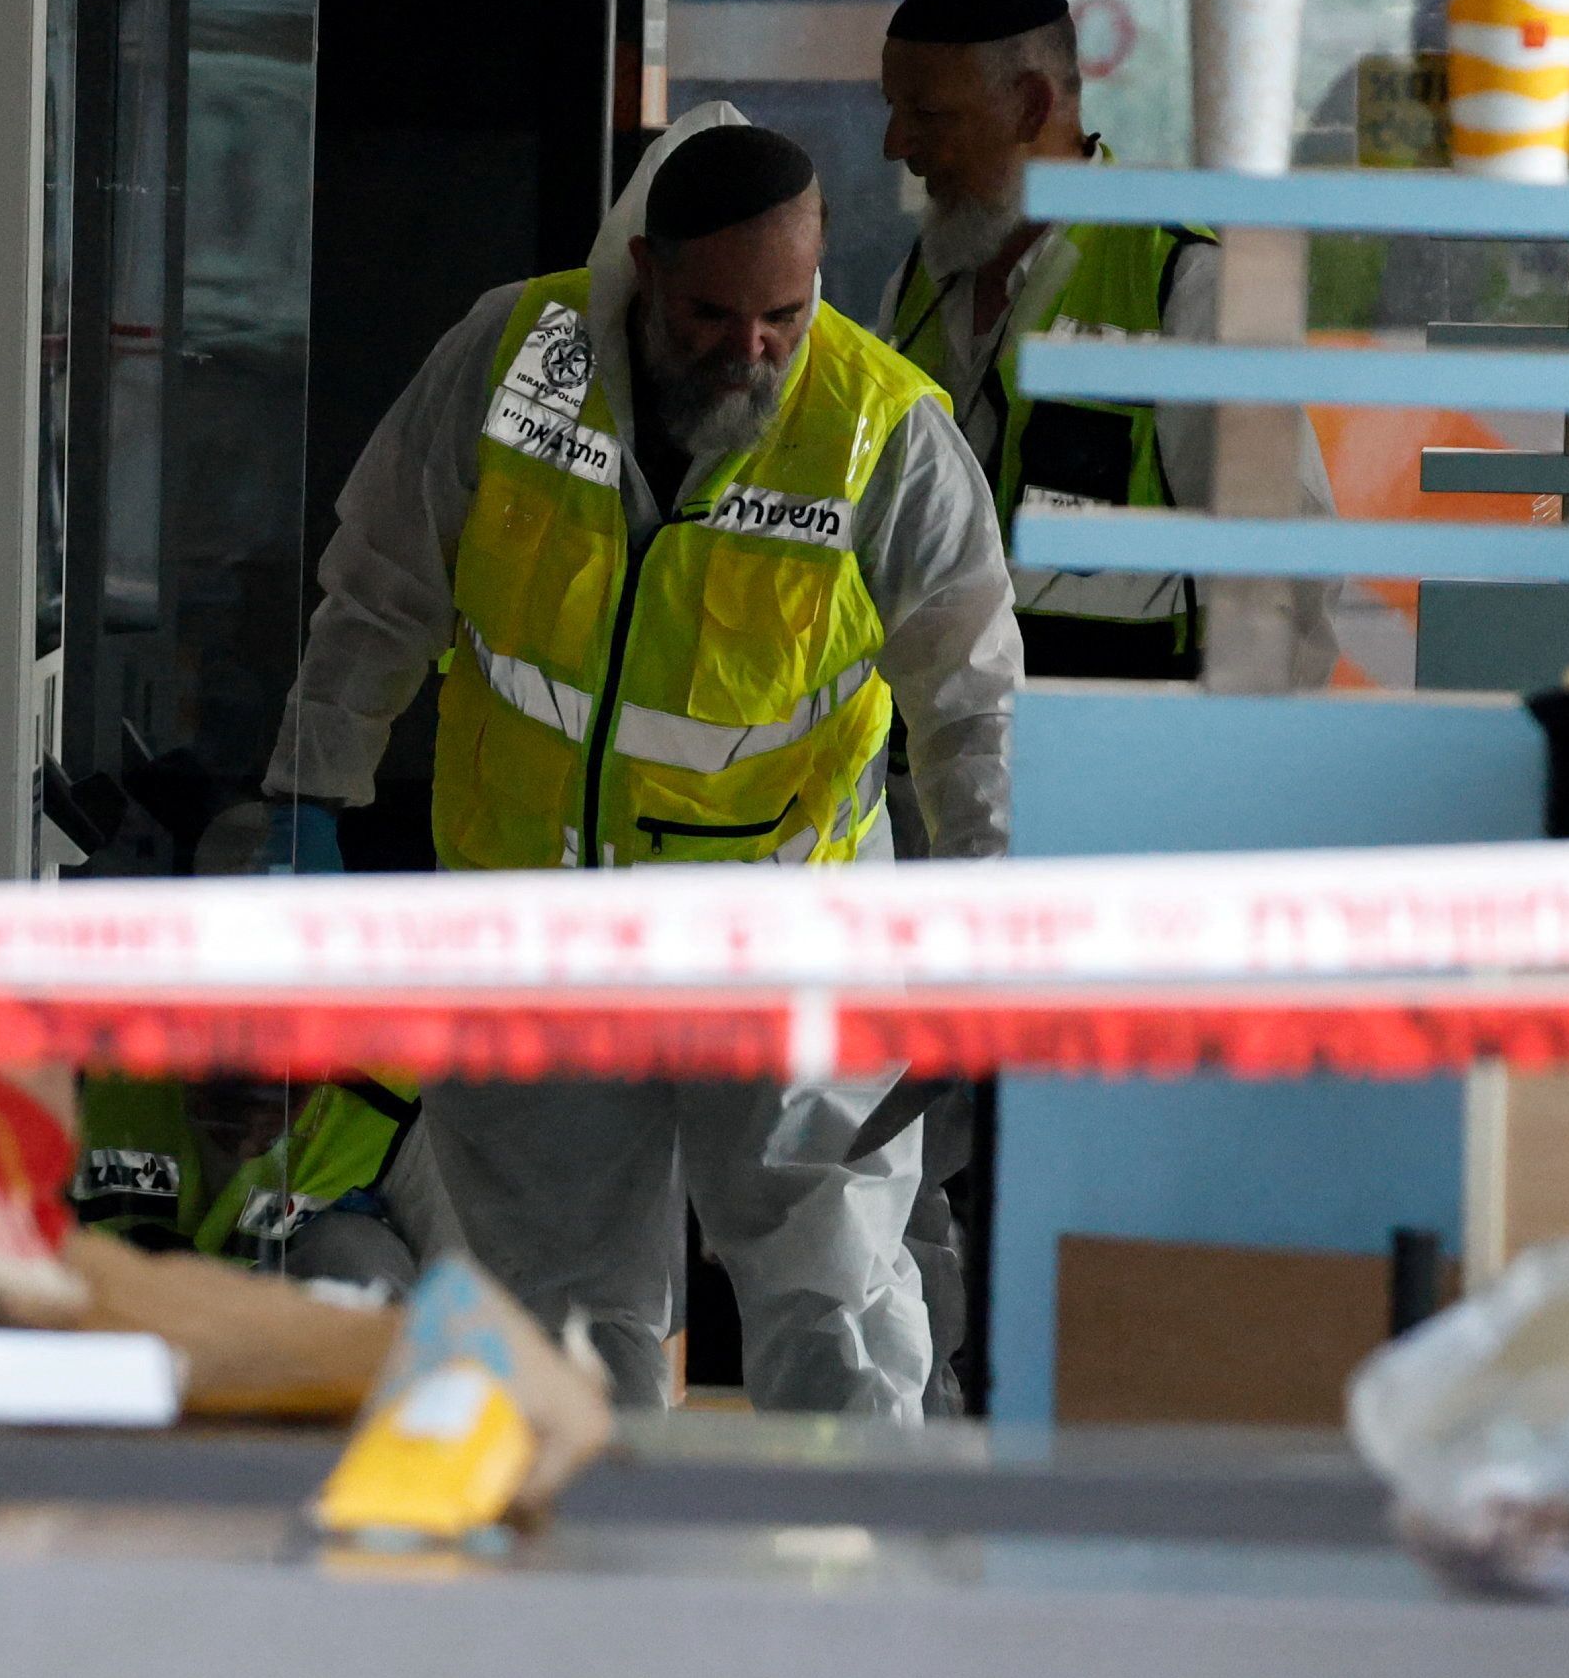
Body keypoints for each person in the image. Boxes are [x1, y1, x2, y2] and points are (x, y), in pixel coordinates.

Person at [237, 112, 1013, 1418]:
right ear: (644, 270)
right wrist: (308, 803)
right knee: (560, 1313)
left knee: (834, 1294)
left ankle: (836, 1592)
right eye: (714, 312)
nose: (753, 349)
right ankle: (590, 1601)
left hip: (786, 932)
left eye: (785, 311)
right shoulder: (509, 359)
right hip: (537, 921)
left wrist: (987, 938)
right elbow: (376, 596)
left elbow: (971, 707)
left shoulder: (882, 432)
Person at [870, 0, 1356, 690]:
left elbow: (1285, 582)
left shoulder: (1187, 284)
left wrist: (1235, 773)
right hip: (939, 777)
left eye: (929, 114)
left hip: (1125, 768)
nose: (894, 144)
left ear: (1032, 106)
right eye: (893, 109)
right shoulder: (917, 284)